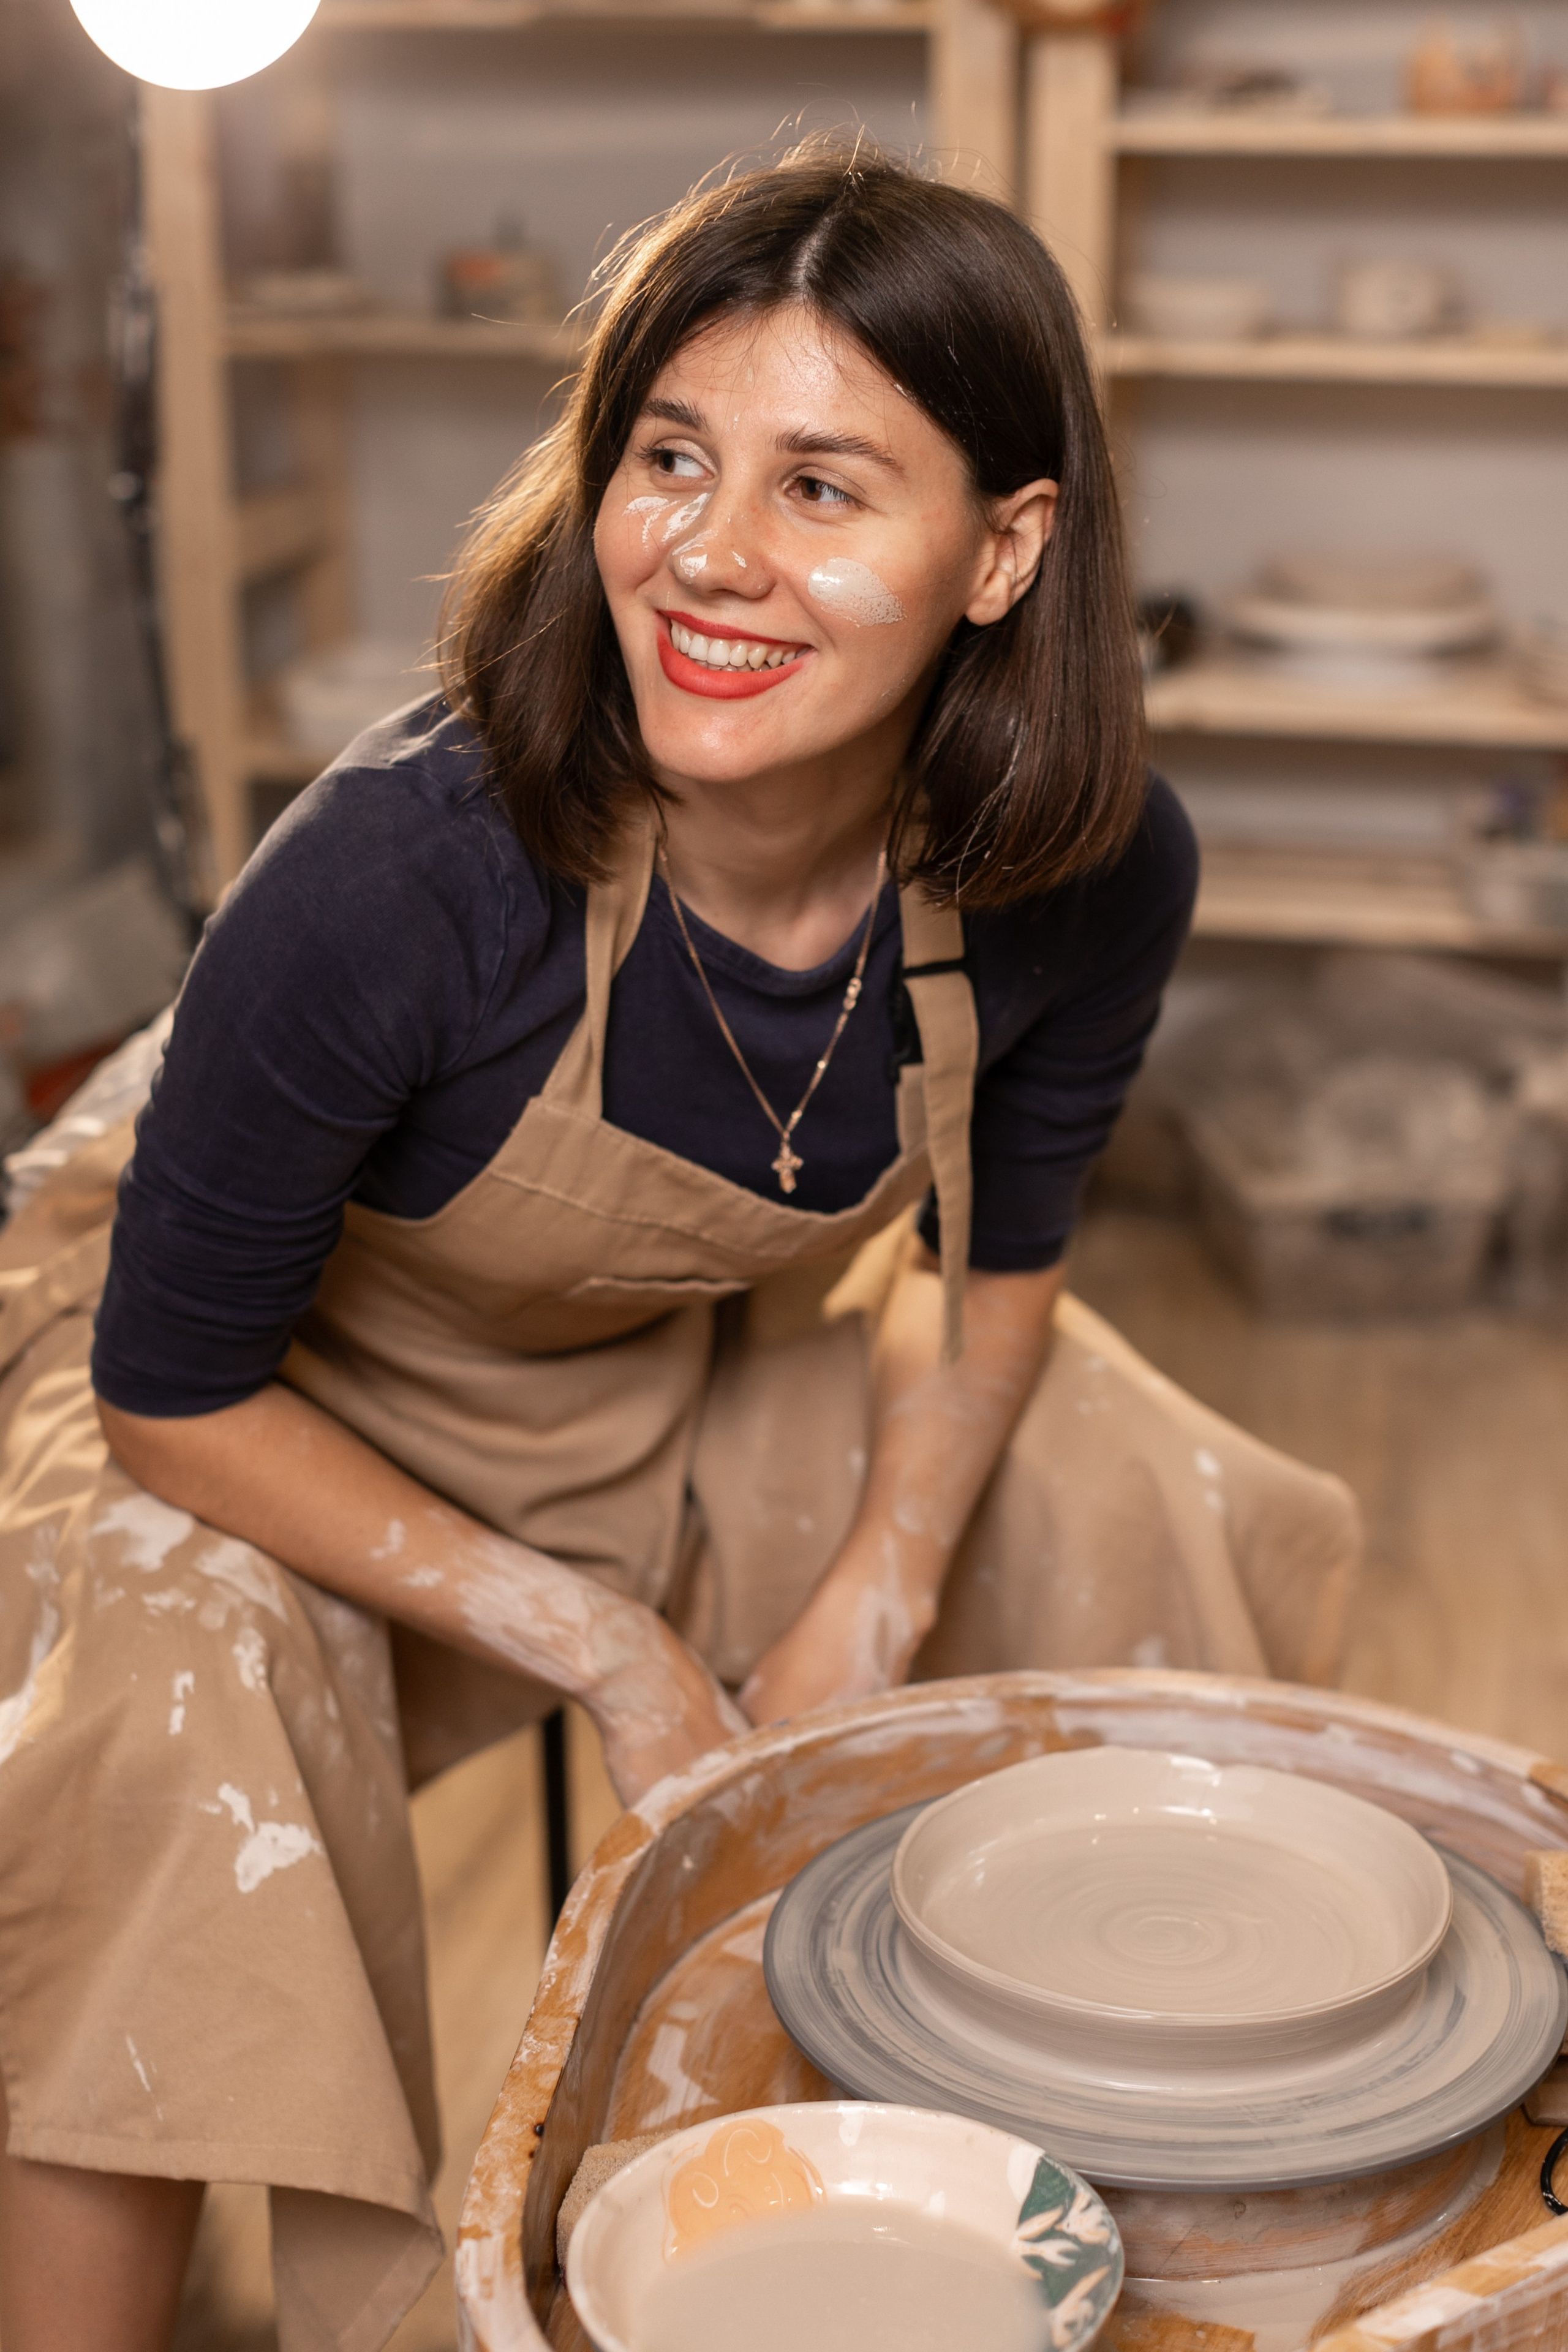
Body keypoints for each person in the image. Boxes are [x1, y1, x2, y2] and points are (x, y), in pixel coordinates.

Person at [0, 143, 1356, 2351]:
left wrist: (874, 1593)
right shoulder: (404, 871)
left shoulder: (1085, 865)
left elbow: (1001, 1275)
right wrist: (606, 1651)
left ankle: (1142, 2188)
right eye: (669, 457)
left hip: (644, 1357)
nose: (708, 557)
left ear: (1006, 549)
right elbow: (172, 1390)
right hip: (222, 1388)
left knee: (1133, 1476)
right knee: (175, 1691)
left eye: (826, 487)